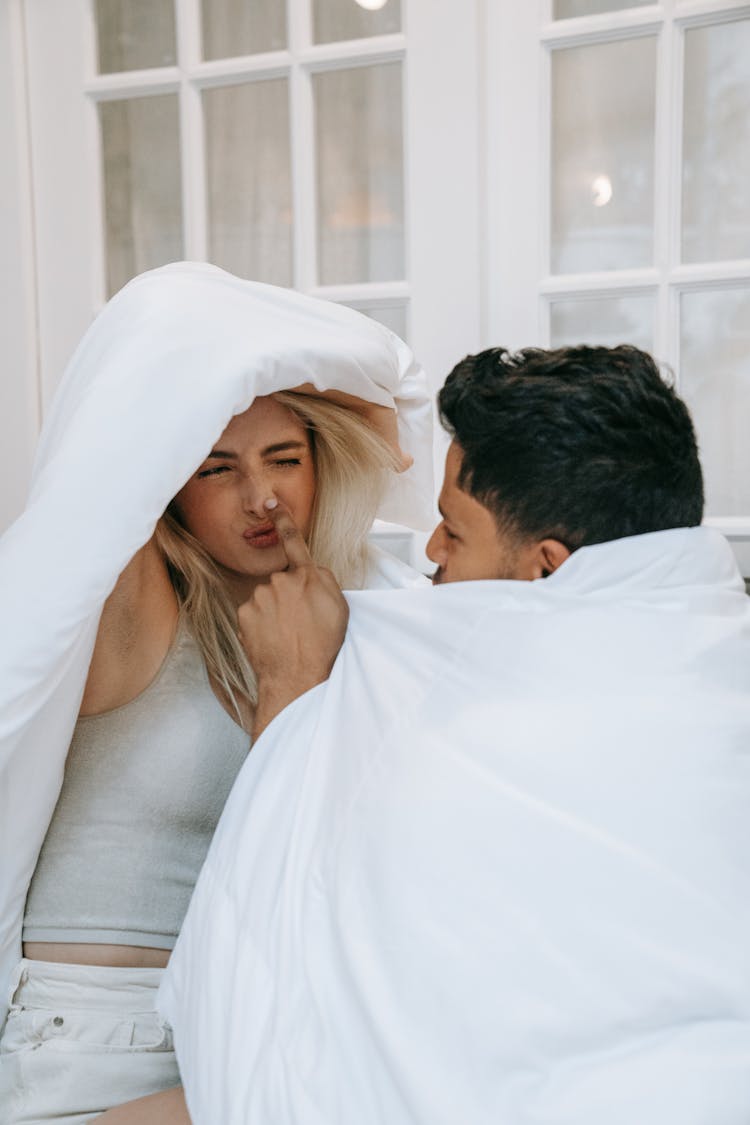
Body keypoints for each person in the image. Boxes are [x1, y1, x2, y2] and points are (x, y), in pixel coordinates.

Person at [109, 345, 750, 1124]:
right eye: (217, 468)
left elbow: (278, 1002)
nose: (430, 551)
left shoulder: (464, 720)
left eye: (452, 527)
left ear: (546, 569)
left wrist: (291, 699)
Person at [0, 264, 433, 1122]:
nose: (263, 496)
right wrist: (374, 382)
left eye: (286, 458)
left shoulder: (360, 610)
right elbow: (158, 337)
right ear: (169, 486)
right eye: (217, 468)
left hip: (250, 1019)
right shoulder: (133, 596)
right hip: (97, 1037)